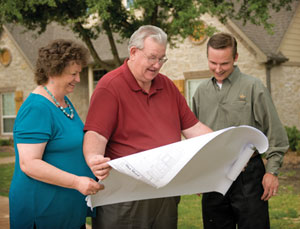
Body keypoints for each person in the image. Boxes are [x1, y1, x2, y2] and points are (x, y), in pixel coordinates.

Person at [83, 25, 212, 229]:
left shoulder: (167, 86)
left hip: (164, 194)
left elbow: (194, 128)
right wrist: (93, 158)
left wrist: (225, 148)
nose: (157, 65)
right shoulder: (110, 86)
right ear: (134, 52)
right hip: (125, 199)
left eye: (162, 59)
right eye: (152, 57)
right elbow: (96, 134)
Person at [192, 32, 289, 229]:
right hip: (214, 175)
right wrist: (198, 173)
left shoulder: (253, 87)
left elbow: (275, 132)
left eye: (224, 63)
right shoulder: (200, 92)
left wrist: (272, 172)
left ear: (235, 58)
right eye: (213, 63)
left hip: (249, 177)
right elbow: (194, 136)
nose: (218, 69)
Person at [9, 39, 103, 229]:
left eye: (79, 73)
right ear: (53, 72)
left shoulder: (64, 102)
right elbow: (29, 164)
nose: (78, 79)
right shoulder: (36, 108)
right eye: (73, 74)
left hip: (68, 210)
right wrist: (76, 181)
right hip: (43, 212)